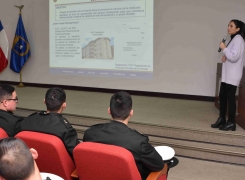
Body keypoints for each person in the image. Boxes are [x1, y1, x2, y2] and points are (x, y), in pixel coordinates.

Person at [83, 91, 177, 180]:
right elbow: (158, 165)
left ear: (109, 110)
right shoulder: (138, 142)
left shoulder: (90, 133)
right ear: (131, 113)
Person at [20, 87, 79, 159]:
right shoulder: (66, 129)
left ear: (44, 101)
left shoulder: (28, 120)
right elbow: (76, 154)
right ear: (64, 105)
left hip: (30, 164)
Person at [211, 19, 245, 131]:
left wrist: (224, 48)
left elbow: (234, 57)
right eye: (228, 25)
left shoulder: (239, 39)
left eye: (231, 26)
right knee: (223, 96)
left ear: (238, 29)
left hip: (232, 75)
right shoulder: (233, 39)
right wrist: (225, 55)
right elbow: (231, 55)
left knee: (230, 99)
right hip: (227, 75)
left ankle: (231, 122)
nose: (228, 28)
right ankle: (222, 118)